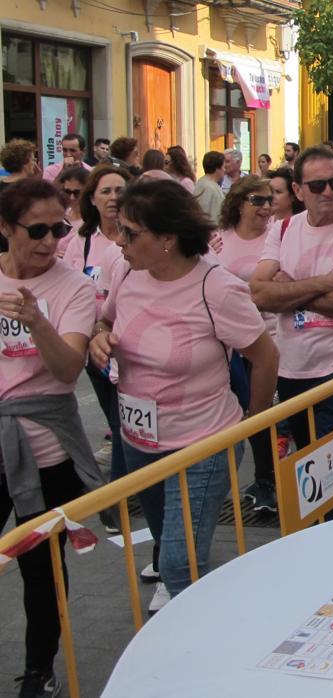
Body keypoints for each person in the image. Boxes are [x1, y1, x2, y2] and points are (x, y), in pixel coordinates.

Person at [89, 179, 277, 613]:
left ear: (168, 239)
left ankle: (212, 641)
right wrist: (99, 338)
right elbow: (104, 321)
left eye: (131, 233)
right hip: (140, 442)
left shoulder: (217, 288)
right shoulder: (126, 273)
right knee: (172, 551)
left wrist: (250, 425)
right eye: (119, 230)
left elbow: (265, 358)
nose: (119, 242)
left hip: (203, 445)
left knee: (176, 563)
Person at [0, 179, 101, 698]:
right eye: (36, 230)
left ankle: (40, 671)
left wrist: (37, 321)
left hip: (46, 450)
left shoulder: (74, 288)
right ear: (4, 227)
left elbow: (67, 371)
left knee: (41, 572)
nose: (49, 242)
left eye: (58, 229)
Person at [250, 147, 333, 512]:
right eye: (317, 185)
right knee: (309, 467)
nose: (328, 192)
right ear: (298, 191)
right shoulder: (281, 230)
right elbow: (259, 292)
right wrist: (328, 282)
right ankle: (319, 540)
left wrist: (291, 289)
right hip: (293, 367)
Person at [63, 166, 132, 534]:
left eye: (120, 190)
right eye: (105, 191)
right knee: (115, 421)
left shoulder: (136, 235)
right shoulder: (80, 238)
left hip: (126, 343)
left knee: (124, 423)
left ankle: (118, 499)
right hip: (93, 344)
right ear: (93, 198)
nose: (112, 197)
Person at [214, 175, 283, 513]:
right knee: (251, 413)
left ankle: (272, 478)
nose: (267, 207)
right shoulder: (220, 240)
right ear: (239, 203)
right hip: (229, 345)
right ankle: (264, 479)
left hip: (272, 339)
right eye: (258, 200)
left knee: (266, 412)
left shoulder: (279, 236)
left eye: (270, 200)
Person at [193, 151, 226, 226]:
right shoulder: (208, 187)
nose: (225, 170)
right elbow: (209, 215)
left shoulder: (204, 183)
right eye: (223, 167)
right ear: (217, 169)